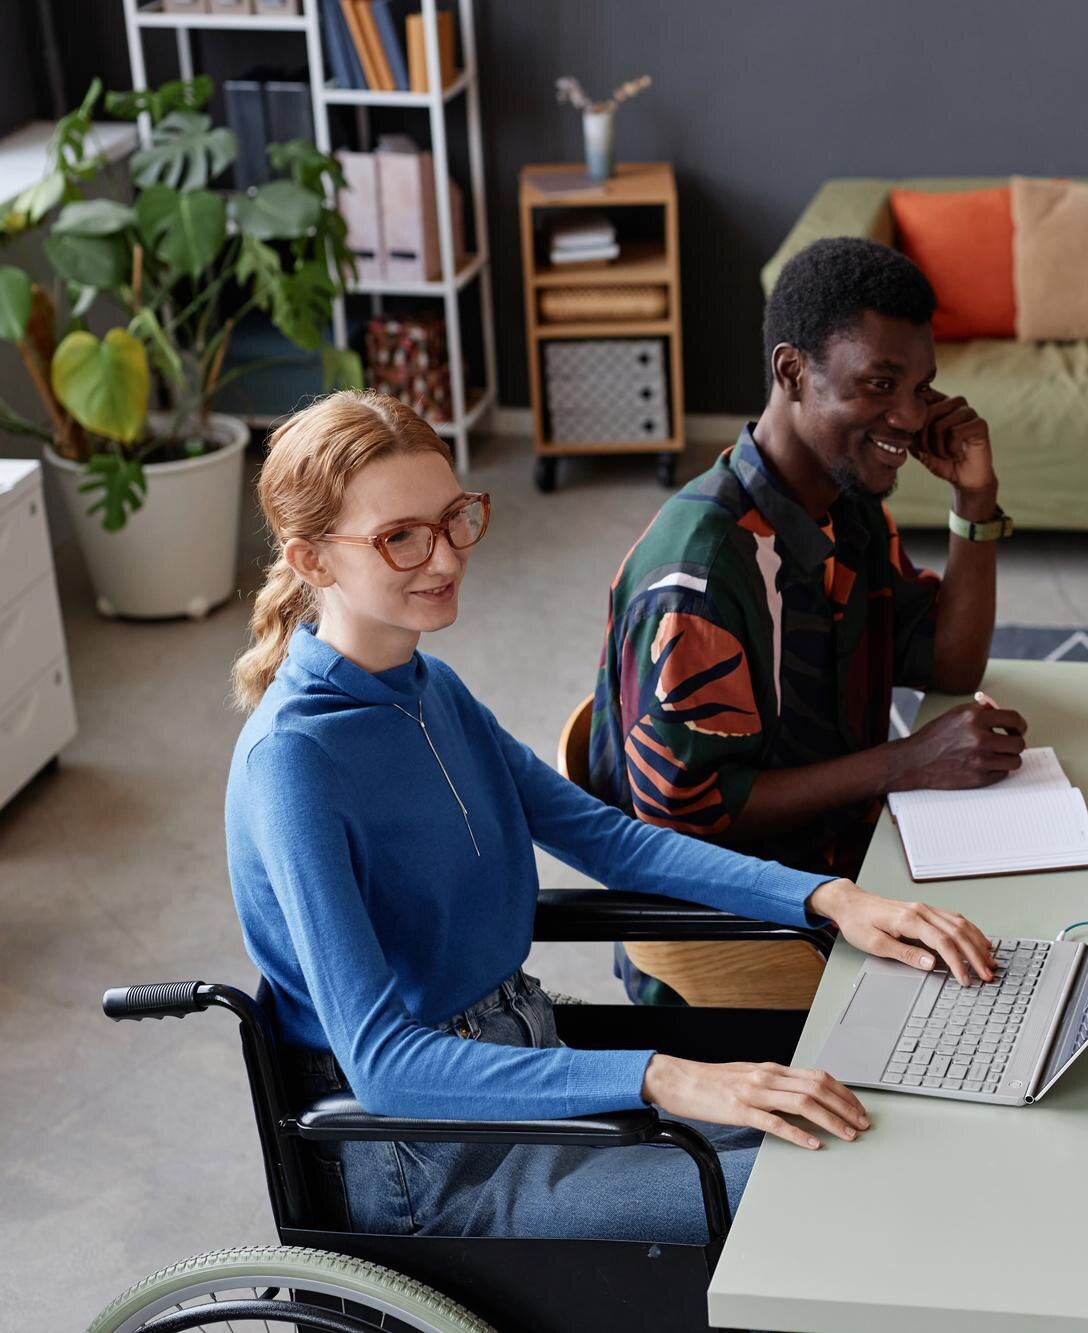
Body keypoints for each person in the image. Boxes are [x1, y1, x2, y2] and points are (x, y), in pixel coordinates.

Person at [225, 391, 995, 1243]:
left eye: (453, 519)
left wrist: (830, 898)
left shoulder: (430, 690)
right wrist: (666, 1077)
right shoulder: (292, 763)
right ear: (311, 559)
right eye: (400, 536)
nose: (444, 556)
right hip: (438, 1157)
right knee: (829, 1186)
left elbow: (609, 838)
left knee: (871, 1123)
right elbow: (387, 1068)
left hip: (534, 1067)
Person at [591, 237, 1019, 896]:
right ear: (791, 371)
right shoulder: (701, 578)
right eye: (880, 384)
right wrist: (905, 761)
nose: (909, 416)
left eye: (921, 387)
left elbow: (950, 666)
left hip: (852, 862)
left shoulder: (845, 503)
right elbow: (689, 812)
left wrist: (975, 503)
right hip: (753, 922)